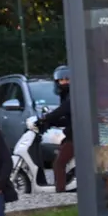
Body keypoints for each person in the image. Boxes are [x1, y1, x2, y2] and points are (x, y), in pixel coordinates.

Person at [33, 65, 73, 193]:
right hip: (74, 134)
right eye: (61, 80)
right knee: (61, 150)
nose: (64, 82)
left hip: (79, 136)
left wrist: (47, 118)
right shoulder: (66, 95)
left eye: (67, 79)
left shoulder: (73, 96)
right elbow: (67, 118)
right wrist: (49, 123)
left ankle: (60, 193)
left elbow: (63, 110)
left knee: (58, 163)